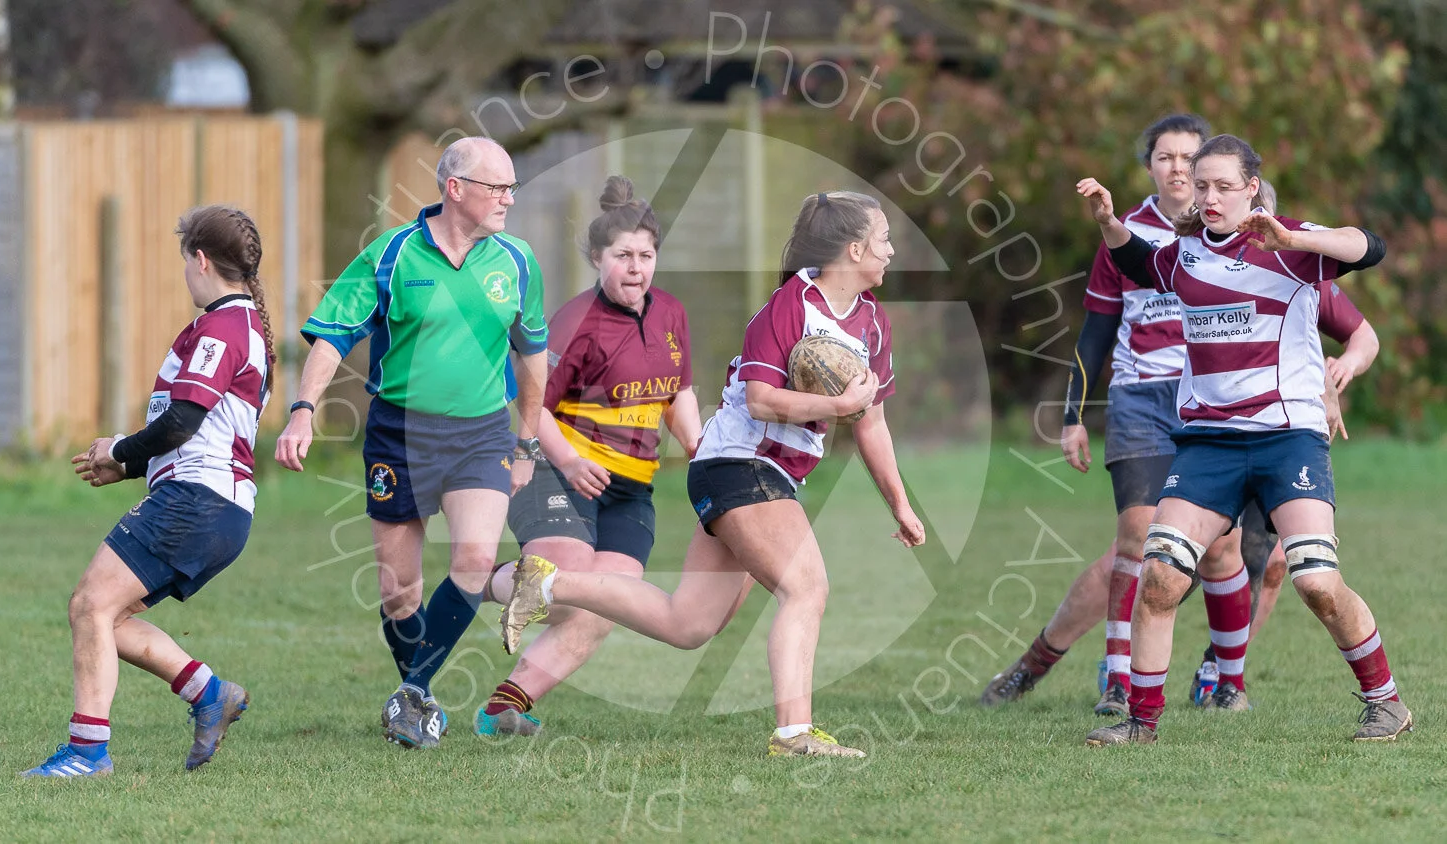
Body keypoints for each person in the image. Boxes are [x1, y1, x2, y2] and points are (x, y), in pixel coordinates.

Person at [500, 190, 926, 758]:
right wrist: (835, 406)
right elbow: (760, 401)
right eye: (883, 241)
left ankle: (549, 583)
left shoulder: (871, 321)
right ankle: (795, 734)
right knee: (807, 587)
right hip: (739, 465)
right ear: (853, 249)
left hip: (760, 473)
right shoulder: (789, 306)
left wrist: (899, 502)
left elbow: (871, 422)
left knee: (689, 624)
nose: (891, 252)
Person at [1076, 133, 1409, 745]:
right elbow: (1136, 264)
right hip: (1209, 444)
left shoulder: (1289, 247)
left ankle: (1384, 701)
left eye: (1223, 186)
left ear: (1251, 188)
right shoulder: (1185, 253)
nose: (1209, 197)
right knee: (1161, 577)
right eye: (1201, 186)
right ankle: (1141, 722)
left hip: (1289, 440)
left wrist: (1294, 236)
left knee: (1314, 581)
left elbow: (1372, 247)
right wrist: (1107, 221)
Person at [275, 136, 548, 749]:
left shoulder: (518, 261)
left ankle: (413, 691)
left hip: (481, 435)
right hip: (398, 435)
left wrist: (526, 443)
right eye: (497, 186)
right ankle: (417, 696)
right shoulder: (392, 254)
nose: (509, 198)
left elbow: (532, 358)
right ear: (456, 190)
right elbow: (334, 334)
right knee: (400, 593)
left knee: (476, 559)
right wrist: (302, 411)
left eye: (512, 187)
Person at [980, 115, 1248, 717]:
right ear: (1149, 166)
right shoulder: (1123, 236)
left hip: (1214, 399)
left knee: (1225, 550)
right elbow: (1097, 330)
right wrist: (1074, 414)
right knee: (1137, 535)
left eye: (1189, 158)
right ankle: (1120, 681)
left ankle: (1229, 681)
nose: (1178, 168)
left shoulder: (1232, 234)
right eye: (1165, 157)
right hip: (1141, 399)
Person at [22, 206, 274, 777]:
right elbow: (198, 430)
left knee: (90, 603)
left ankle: (87, 755)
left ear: (201, 259)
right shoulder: (234, 325)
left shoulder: (223, 326)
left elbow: (183, 421)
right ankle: (210, 693)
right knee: (104, 617)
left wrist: (121, 450)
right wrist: (131, 465)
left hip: (197, 502)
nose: (185, 271)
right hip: (214, 505)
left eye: (186, 259)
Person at [471, 176, 702, 736]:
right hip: (557, 469)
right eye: (623, 256)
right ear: (598, 258)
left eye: (646, 256)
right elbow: (530, 403)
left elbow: (679, 394)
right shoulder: (575, 323)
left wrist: (700, 453)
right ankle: (479, 579)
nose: (636, 268)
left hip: (630, 487)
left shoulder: (671, 314)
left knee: (606, 602)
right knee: (566, 581)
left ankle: (504, 707)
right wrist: (571, 462)